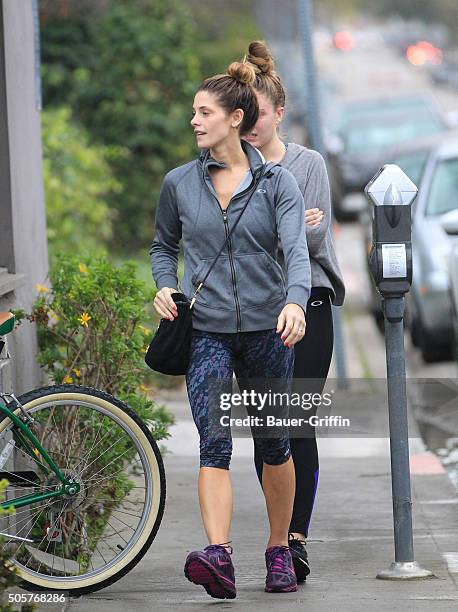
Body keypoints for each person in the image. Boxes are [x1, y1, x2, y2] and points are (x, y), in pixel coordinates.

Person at [149, 60, 312, 598]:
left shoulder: (277, 183)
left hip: (269, 331)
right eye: (194, 111)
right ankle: (218, 555)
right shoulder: (179, 183)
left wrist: (295, 302)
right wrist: (164, 285)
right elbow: (162, 247)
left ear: (235, 118)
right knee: (213, 442)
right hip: (208, 333)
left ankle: (278, 548)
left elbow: (296, 252)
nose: (193, 120)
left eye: (204, 112)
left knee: (273, 443)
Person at [240, 40, 345, 582]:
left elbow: (316, 236)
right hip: (255, 315)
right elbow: (243, 244)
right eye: (243, 114)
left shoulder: (309, 165)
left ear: (279, 112)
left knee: (296, 423)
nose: (251, 124)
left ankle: (293, 539)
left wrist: (282, 235)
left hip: (313, 307)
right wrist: (283, 229)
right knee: (266, 427)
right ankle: (277, 535)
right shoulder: (230, 169)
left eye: (259, 113)